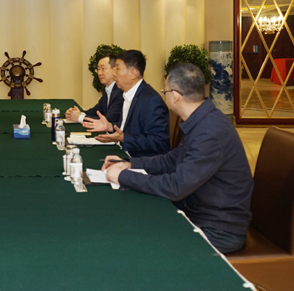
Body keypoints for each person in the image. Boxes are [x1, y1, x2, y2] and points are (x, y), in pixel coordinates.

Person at [101, 63, 253, 254]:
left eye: (164, 92)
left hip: (218, 228)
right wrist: (130, 164)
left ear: (175, 95)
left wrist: (124, 177)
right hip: (198, 213)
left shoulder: (210, 131)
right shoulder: (201, 119)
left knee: (139, 245)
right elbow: (172, 160)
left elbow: (177, 187)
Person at [82, 50, 169, 157]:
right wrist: (110, 127)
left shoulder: (151, 100)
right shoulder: (128, 94)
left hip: (140, 161)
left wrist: (124, 138)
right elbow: (130, 128)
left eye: (117, 69)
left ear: (133, 73)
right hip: (124, 153)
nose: (114, 73)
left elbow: (159, 141)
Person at [65, 53, 123, 125]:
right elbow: (96, 110)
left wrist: (80, 117)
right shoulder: (107, 90)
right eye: (98, 69)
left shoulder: (120, 91)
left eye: (103, 69)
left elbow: (108, 119)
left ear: (114, 70)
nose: (99, 73)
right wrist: (77, 113)